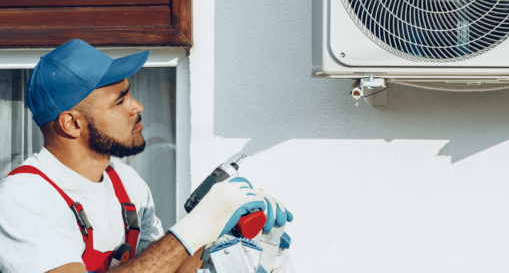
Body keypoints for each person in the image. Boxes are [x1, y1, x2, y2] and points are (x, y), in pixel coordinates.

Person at [0, 39, 291, 272]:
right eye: (120, 100)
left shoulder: (127, 184)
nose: (137, 106)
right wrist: (194, 227)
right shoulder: (23, 198)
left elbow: (168, 268)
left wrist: (223, 235)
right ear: (72, 123)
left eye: (130, 94)